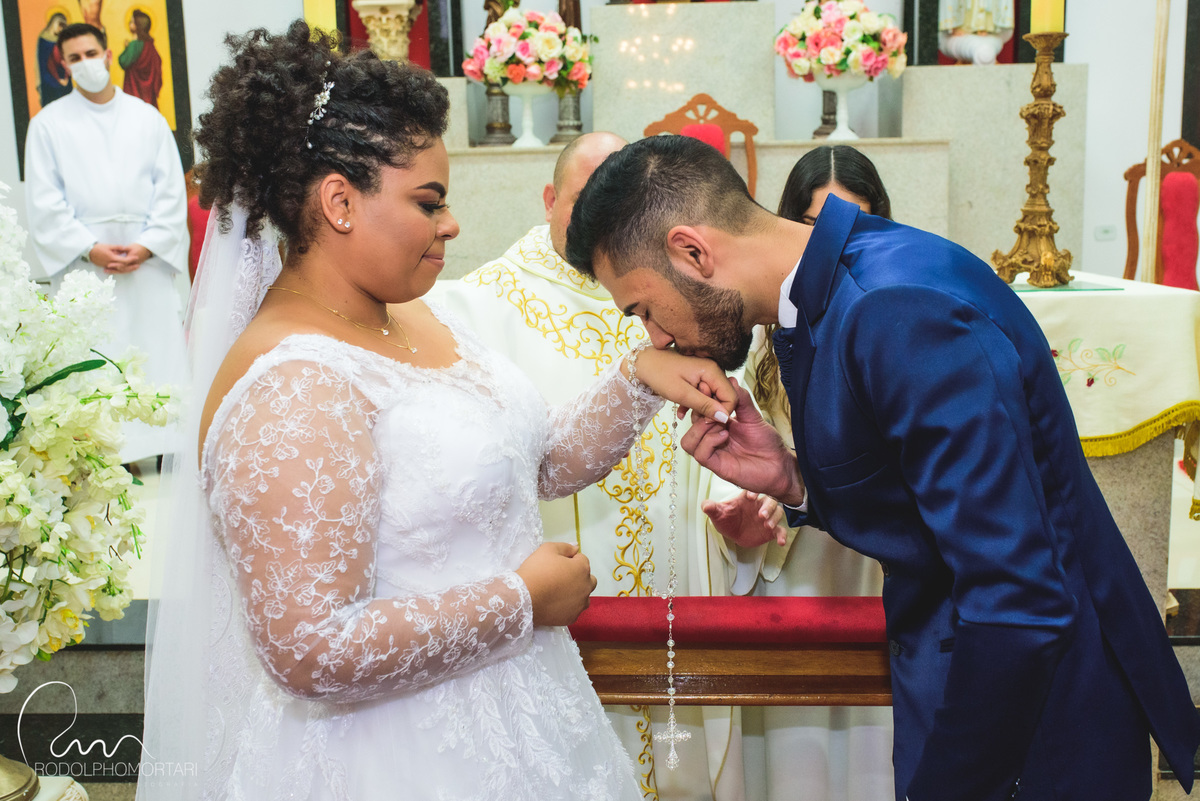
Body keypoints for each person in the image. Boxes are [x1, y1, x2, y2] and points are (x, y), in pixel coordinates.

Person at [137, 23, 736, 800]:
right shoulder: (292, 384)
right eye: (429, 201)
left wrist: (641, 377)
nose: (451, 223)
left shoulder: (412, 315)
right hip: (394, 757)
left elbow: (533, 461)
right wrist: (521, 601)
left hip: (525, 721)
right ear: (340, 202)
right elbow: (309, 649)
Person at [564, 134, 1200, 801]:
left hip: (1039, 725)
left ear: (692, 252)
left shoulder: (894, 306)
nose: (656, 338)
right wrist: (792, 480)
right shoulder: (832, 283)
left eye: (643, 309)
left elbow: (1017, 600)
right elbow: (928, 501)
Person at [431, 131, 783, 799]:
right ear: (548, 199)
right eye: (584, 198)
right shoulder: (477, 307)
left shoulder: (685, 288)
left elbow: (732, 420)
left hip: (681, 601)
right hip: (557, 620)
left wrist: (742, 514)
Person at [741, 145, 896, 801]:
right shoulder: (764, 314)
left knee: (869, 732)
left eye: (855, 221)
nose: (832, 239)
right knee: (795, 728)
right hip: (793, 547)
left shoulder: (891, 309)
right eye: (813, 223)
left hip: (872, 548)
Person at [24, 22, 187, 465]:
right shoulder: (47, 124)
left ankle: (167, 447)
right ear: (63, 66)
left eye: (91, 53)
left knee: (155, 352)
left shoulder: (147, 118)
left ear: (109, 55)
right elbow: (44, 201)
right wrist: (88, 247)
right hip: (85, 265)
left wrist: (149, 244)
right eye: (74, 58)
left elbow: (170, 190)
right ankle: (110, 454)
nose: (85, 64)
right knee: (98, 355)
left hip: (146, 260)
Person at [118, 10, 163, 108]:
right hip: (148, 95)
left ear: (138, 26)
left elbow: (123, 61)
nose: (129, 23)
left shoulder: (134, 45)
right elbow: (157, 62)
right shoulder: (150, 45)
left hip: (134, 91)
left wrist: (127, 49)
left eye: (132, 22)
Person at [36, 13, 72, 108]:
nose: (61, 29)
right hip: (49, 81)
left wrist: (66, 78)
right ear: (54, 24)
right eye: (60, 25)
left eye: (63, 26)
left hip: (64, 79)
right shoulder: (44, 39)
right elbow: (44, 64)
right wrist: (57, 80)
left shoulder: (62, 39)